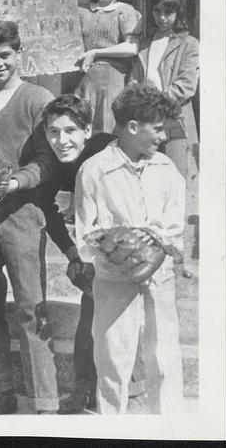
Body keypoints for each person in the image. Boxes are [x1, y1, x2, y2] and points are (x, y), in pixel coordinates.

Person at [0, 20, 60, 415]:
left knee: (31, 304)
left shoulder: (38, 98)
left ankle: (42, 397)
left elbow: (47, 162)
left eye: (4, 55)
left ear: (19, 55)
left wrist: (17, 183)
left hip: (22, 210)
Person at [75, 83, 186, 414]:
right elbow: (85, 235)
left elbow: (175, 225)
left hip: (160, 277)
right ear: (133, 127)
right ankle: (114, 426)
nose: (163, 137)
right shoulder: (95, 169)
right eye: (157, 128)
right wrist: (117, 243)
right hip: (114, 281)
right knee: (113, 358)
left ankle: (170, 429)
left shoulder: (166, 168)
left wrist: (153, 238)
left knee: (164, 357)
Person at [33, 95, 145, 414]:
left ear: (86, 129)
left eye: (70, 130)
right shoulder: (55, 164)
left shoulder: (108, 150)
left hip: (129, 242)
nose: (61, 140)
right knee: (89, 315)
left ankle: (131, 390)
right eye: (53, 132)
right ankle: (84, 390)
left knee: (123, 319)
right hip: (95, 247)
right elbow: (47, 207)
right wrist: (72, 255)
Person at [130, 0, 199, 179]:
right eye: (157, 11)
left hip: (174, 117)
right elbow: (134, 79)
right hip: (146, 118)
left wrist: (156, 105)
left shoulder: (189, 44)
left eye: (168, 12)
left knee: (175, 175)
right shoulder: (144, 44)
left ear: (179, 13)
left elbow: (186, 85)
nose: (161, 17)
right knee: (146, 175)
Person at [65, 0, 142, 134]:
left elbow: (132, 47)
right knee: (78, 131)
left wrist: (96, 52)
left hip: (111, 83)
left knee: (105, 133)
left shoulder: (125, 10)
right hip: (81, 81)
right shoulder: (82, 10)